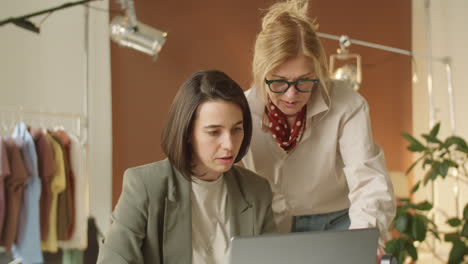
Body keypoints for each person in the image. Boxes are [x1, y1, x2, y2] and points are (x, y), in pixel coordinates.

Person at [242, 0, 395, 250]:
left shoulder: (348, 105)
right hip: (272, 227)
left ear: (319, 71)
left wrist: (362, 245)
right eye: (279, 82)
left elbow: (368, 181)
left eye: (304, 81)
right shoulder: (242, 110)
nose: (291, 95)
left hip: (339, 223)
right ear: (262, 73)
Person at [97, 70, 276, 264]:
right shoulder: (144, 186)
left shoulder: (257, 191)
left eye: (236, 130)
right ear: (188, 133)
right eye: (214, 132)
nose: (229, 144)